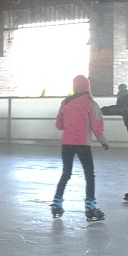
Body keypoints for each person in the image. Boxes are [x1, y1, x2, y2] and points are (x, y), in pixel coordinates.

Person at [51, 75, 109, 220]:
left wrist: (70, 125)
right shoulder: (91, 103)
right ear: (87, 87)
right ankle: (90, 207)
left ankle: (56, 204)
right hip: (83, 143)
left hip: (67, 143)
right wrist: (103, 141)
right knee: (89, 175)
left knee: (66, 174)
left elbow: (59, 124)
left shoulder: (65, 102)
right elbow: (97, 126)